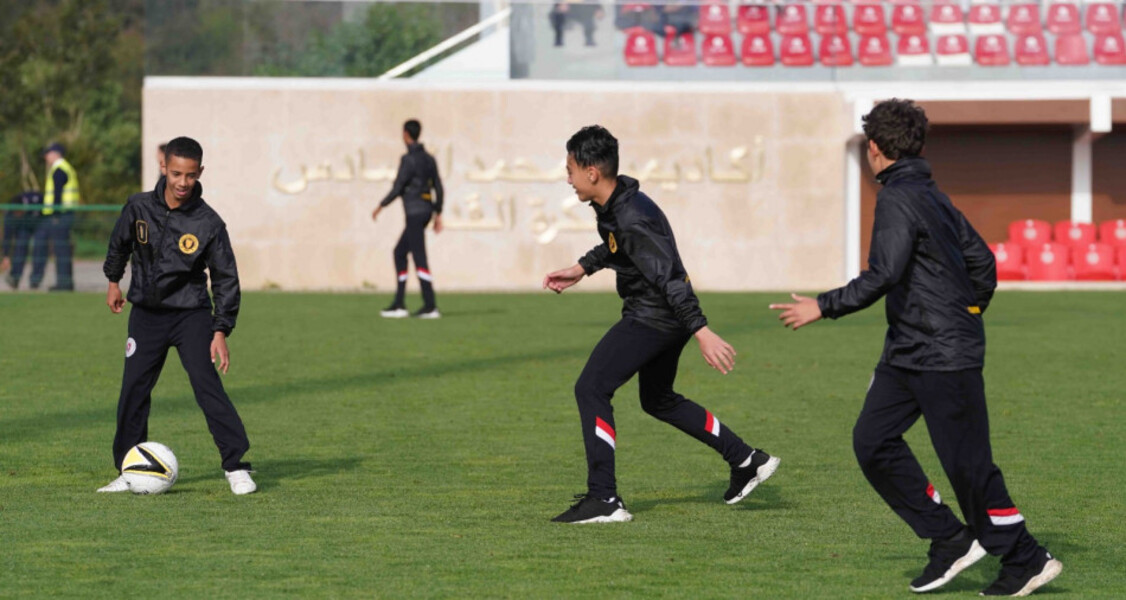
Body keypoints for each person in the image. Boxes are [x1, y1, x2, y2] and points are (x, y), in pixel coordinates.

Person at [769, 99, 1061, 596]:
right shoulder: (930, 195)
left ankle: (1026, 558)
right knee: (873, 441)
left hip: (941, 354)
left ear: (874, 148)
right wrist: (967, 311)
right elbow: (983, 264)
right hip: (908, 352)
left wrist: (824, 305)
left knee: (968, 465)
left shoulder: (900, 199)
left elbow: (885, 273)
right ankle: (950, 538)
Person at [543, 125, 779, 524]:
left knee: (591, 387)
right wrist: (582, 267)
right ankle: (745, 459)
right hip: (662, 316)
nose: (567, 179)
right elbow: (618, 245)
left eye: (570, 170)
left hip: (654, 317)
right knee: (658, 399)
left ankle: (604, 498)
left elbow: (669, 276)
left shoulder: (632, 215)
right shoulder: (618, 205)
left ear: (591, 172)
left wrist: (701, 330)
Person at [98, 136, 256, 496]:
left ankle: (236, 466)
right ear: (164, 168)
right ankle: (127, 468)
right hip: (146, 315)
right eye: (176, 174)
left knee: (206, 386)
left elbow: (226, 278)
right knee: (134, 390)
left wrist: (221, 329)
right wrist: (113, 282)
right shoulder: (138, 206)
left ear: (200, 172)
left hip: (191, 316)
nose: (183, 182)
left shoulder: (209, 223)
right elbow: (119, 244)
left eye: (190, 175)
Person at [371, 119, 444, 319]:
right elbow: (438, 186)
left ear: (405, 134)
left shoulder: (408, 160)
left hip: (414, 212)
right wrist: (438, 213)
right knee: (400, 252)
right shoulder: (429, 159)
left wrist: (381, 205)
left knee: (419, 257)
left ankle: (430, 305)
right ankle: (399, 303)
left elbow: (398, 187)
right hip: (426, 210)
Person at [42, 143, 78, 291]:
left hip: (60, 214)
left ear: (56, 154)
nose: (46, 157)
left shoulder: (59, 169)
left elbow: (57, 194)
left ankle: (63, 283)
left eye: (48, 153)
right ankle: (66, 282)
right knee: (63, 249)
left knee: (60, 249)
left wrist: (55, 214)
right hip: (66, 213)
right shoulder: (66, 168)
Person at [3, 191, 46, 290]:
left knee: (39, 248)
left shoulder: (36, 199)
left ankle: (35, 280)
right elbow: (7, 235)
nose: (16, 214)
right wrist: (6, 256)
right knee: (20, 246)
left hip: (40, 224)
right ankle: (14, 278)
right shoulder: (10, 214)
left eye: (18, 212)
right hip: (24, 227)